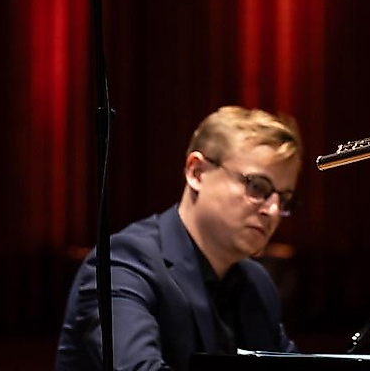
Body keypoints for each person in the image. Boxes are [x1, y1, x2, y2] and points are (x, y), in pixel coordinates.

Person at [56, 106, 302, 371]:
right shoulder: (122, 263)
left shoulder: (257, 283)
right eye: (257, 186)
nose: (273, 210)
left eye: (284, 198)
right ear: (196, 172)